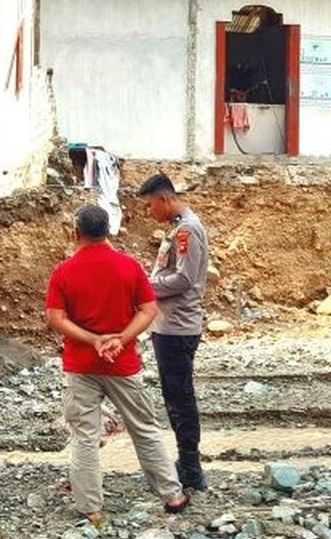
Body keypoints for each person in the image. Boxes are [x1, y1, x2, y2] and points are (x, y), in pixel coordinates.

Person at [45, 204, 191, 525]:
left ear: (75, 232)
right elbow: (149, 310)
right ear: (108, 231)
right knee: (145, 429)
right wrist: (121, 339)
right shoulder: (129, 267)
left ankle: (91, 509)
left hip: (80, 364)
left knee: (84, 435)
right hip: (123, 364)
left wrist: (92, 340)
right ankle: (172, 495)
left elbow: (55, 318)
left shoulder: (63, 271)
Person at [137, 172, 209, 491]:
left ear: (165, 199)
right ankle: (187, 461)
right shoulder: (178, 227)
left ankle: (191, 467)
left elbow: (183, 279)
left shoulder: (188, 230)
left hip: (178, 326)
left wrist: (144, 286)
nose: (149, 212)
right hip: (169, 325)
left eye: (151, 205)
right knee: (174, 396)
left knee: (180, 397)